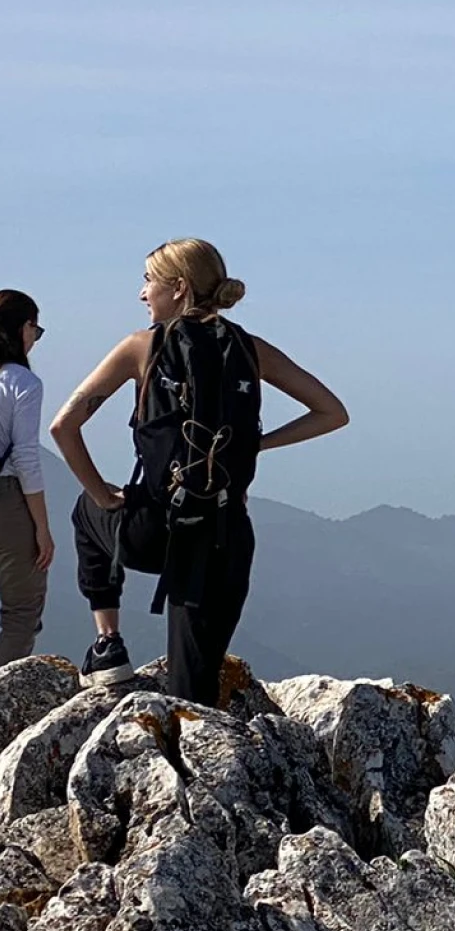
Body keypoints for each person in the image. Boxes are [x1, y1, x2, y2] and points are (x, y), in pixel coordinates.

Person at [50, 238, 348, 704]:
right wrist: (253, 447)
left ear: (180, 288)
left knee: (85, 511)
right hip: (224, 536)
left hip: (153, 533)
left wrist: (105, 497)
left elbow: (64, 426)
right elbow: (332, 412)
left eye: (149, 281)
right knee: (195, 693)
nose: (142, 293)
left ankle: (108, 645)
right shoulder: (250, 349)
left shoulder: (141, 347)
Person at [0, 292, 53, 662]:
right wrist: (42, 527)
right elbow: (25, 458)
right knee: (22, 606)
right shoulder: (21, 382)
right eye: (36, 328)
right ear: (23, 328)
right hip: (6, 496)